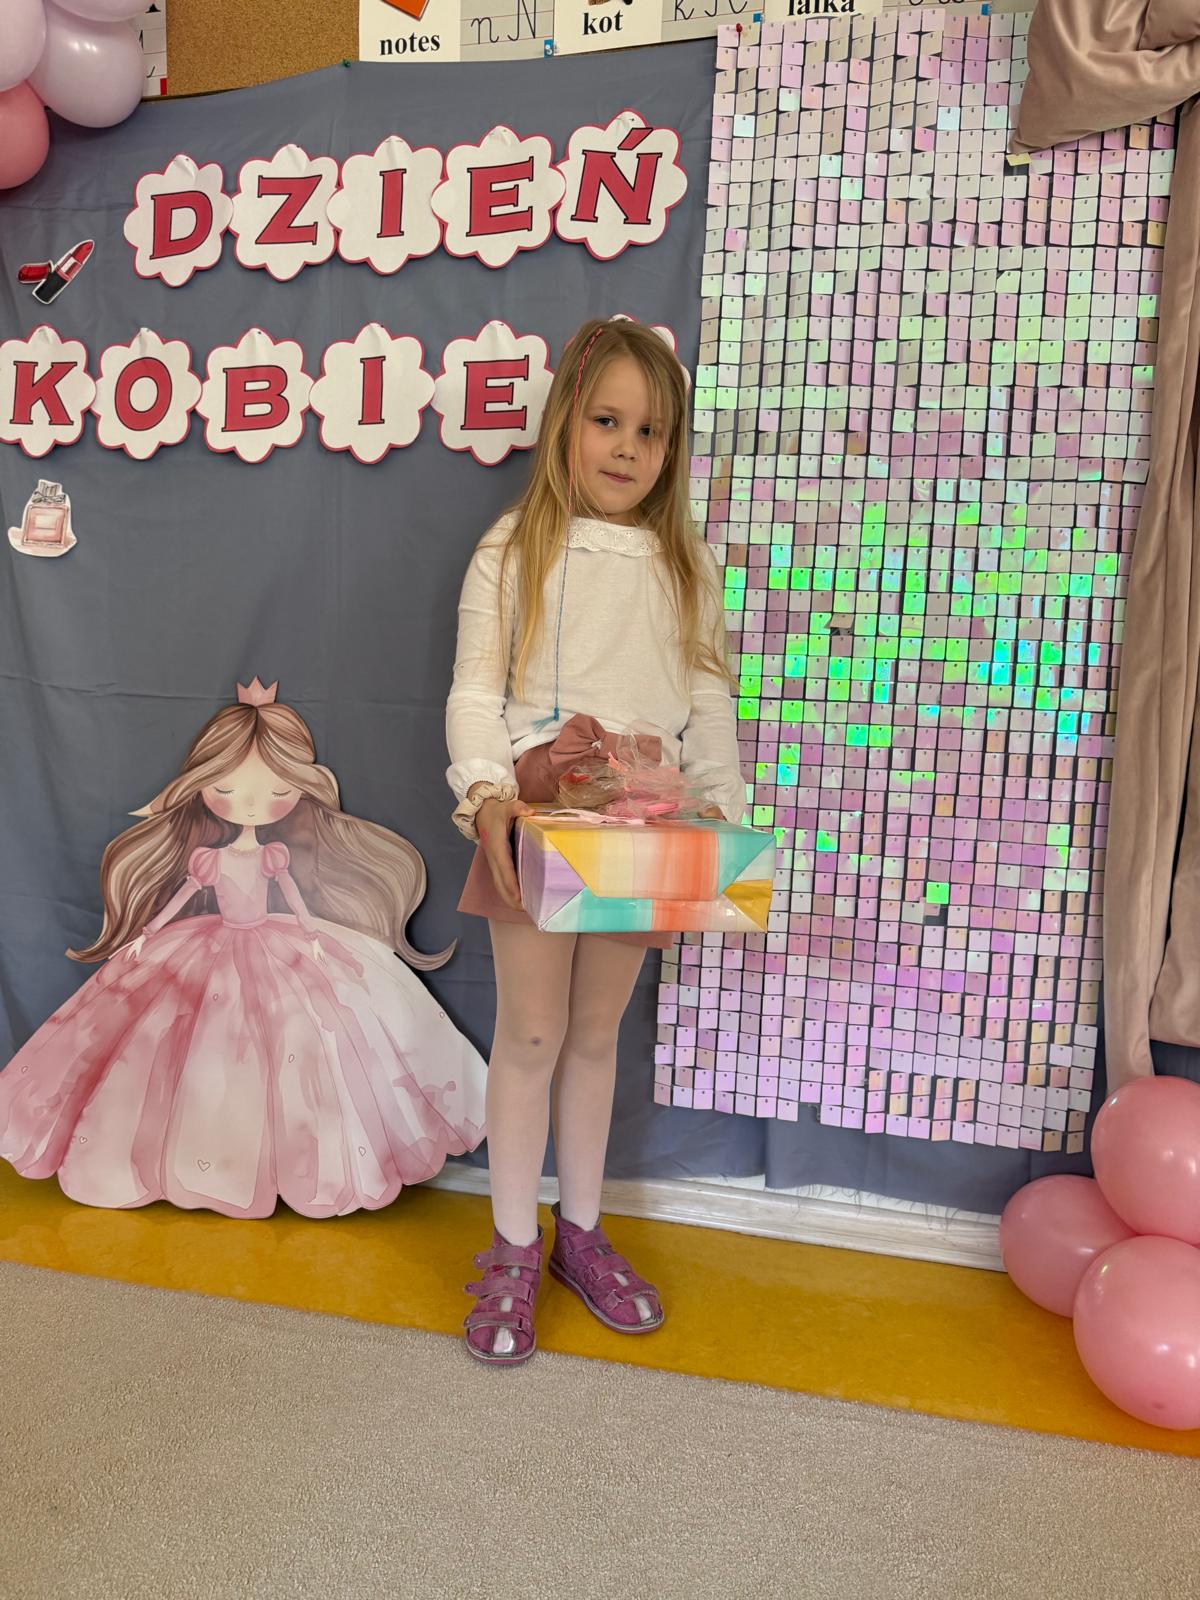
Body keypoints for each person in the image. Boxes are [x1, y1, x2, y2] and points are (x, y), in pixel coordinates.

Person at [446, 316, 746, 1364]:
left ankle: (580, 1229)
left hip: (645, 822)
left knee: (593, 1034)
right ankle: (511, 1243)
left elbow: (708, 700)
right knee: (530, 1033)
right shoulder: (514, 546)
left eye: (651, 431)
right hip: (539, 812)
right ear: (565, 421)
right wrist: (486, 791)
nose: (627, 448)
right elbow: (476, 691)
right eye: (608, 421)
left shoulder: (685, 563)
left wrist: (721, 801)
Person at [0, 678, 486, 1218]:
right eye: (227, 788)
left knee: (293, 1041)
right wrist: (147, 934)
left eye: (277, 789)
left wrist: (311, 937)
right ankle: (196, 1160)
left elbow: (294, 899)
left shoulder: (274, 856)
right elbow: (183, 895)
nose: (251, 803)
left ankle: (279, 1163)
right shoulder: (210, 859)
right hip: (208, 943)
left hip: (275, 940)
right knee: (186, 1044)